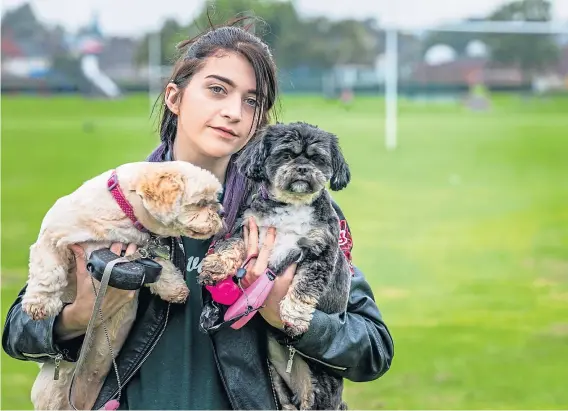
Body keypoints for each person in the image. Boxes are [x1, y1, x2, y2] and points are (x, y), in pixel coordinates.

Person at [2, 18, 394, 410]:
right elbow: (18, 333)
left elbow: (373, 348)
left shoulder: (301, 212)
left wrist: (287, 317)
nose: (234, 112)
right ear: (174, 98)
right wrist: (79, 315)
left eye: (252, 101)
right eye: (217, 90)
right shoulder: (122, 202)